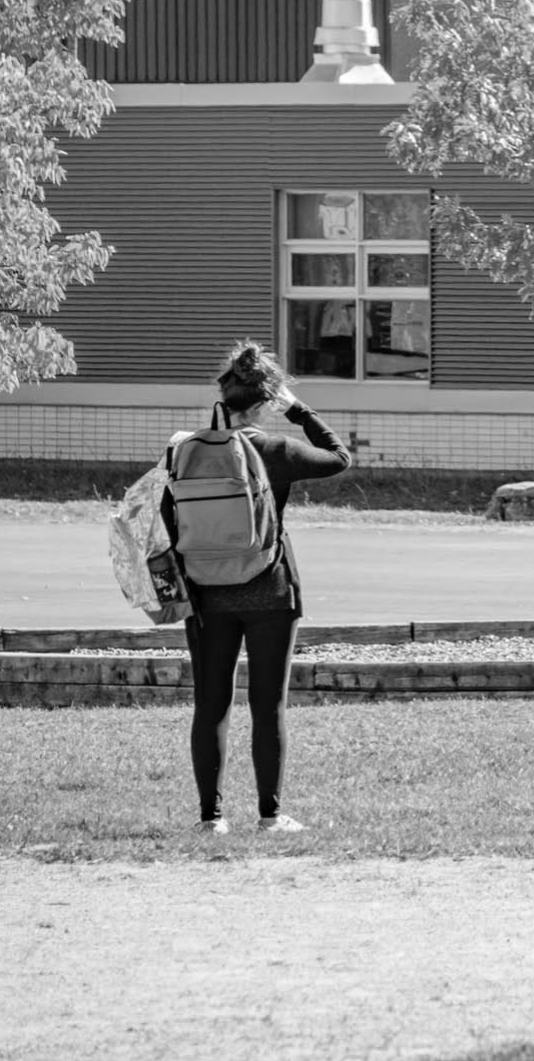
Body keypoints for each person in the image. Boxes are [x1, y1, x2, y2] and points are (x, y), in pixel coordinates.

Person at [164, 341, 351, 835]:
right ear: (267, 402)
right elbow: (339, 457)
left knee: (211, 704)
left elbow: (169, 519)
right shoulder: (276, 449)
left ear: (223, 400)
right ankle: (270, 816)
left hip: (205, 595)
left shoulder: (184, 449)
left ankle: (211, 819)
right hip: (270, 591)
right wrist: (299, 409)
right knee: (268, 705)